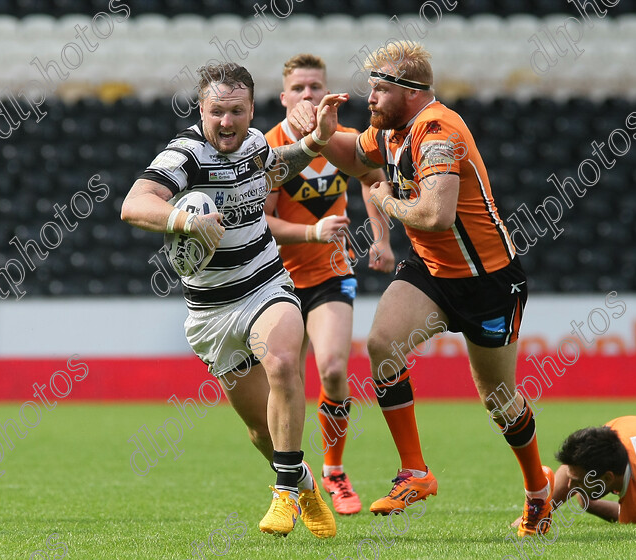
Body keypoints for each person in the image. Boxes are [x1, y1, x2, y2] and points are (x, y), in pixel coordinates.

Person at [289, 41, 554, 536]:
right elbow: (353, 153)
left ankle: (538, 490)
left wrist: (385, 203)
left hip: (487, 281)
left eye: (380, 88)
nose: (370, 96)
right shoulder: (390, 131)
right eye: (370, 86)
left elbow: (436, 215)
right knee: (381, 344)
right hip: (432, 271)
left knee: (499, 398)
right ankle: (415, 471)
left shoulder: (438, 132)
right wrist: (322, 137)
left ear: (411, 92)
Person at [121, 62, 349, 538]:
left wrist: (314, 143)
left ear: (251, 110)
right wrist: (184, 221)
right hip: (213, 311)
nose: (227, 122)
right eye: (217, 111)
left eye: (237, 111)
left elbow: (273, 171)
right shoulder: (186, 153)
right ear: (201, 110)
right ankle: (302, 482)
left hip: (267, 284)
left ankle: (283, 494)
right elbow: (134, 203)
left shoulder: (255, 143)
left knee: (284, 360)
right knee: (261, 432)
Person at [263, 53, 395, 516]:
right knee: (286, 383)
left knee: (335, 370)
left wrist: (381, 237)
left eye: (315, 87)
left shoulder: (338, 140)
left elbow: (373, 178)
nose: (307, 95)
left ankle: (334, 472)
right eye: (298, 88)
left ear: (327, 92)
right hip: (276, 282)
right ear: (283, 97)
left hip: (329, 274)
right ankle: (292, 484)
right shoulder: (269, 147)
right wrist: (313, 232)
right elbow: (262, 222)